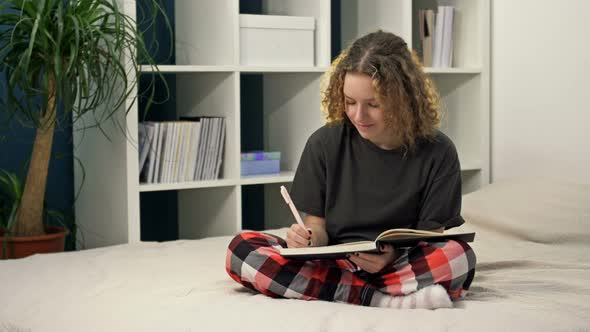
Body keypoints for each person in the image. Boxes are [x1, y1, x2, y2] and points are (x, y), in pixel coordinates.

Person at [226, 30, 476, 309]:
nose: (358, 115)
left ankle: (335, 290)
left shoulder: (439, 152)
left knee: (458, 257)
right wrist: (307, 240)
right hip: (332, 262)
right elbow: (317, 228)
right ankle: (380, 298)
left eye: (373, 104)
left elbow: (431, 241)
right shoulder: (324, 143)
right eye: (349, 102)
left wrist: (390, 257)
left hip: (396, 264)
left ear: (403, 99)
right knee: (242, 248)